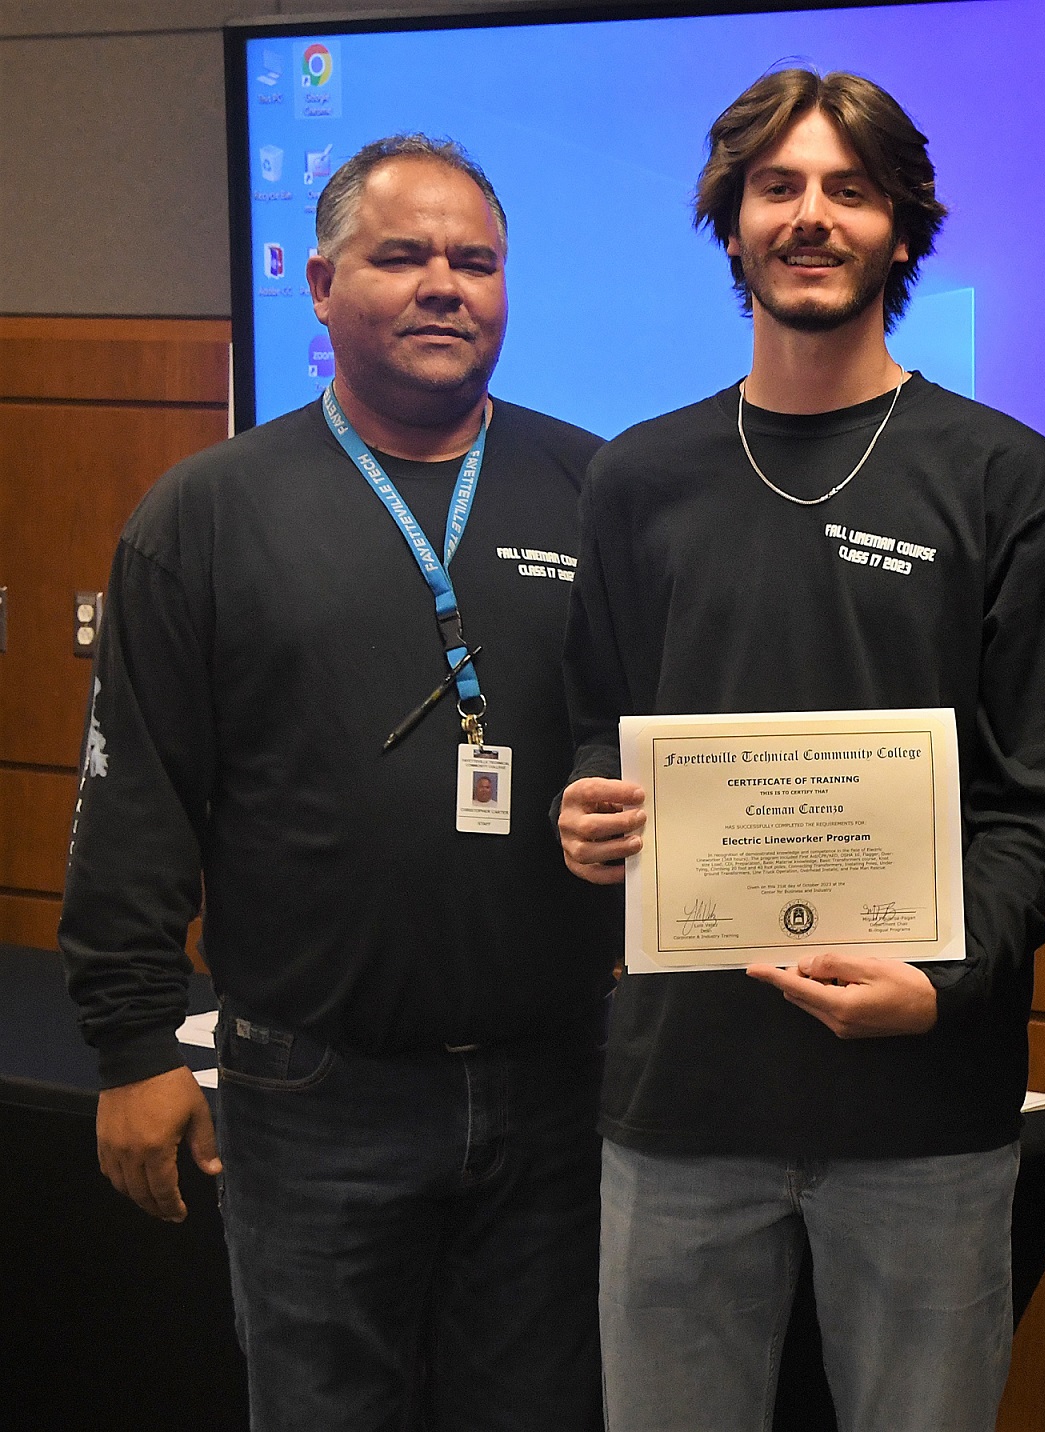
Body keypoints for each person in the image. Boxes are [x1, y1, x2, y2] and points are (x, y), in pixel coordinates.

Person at [553, 69, 1045, 1432]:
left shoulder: (1003, 476)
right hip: (682, 1100)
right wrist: (585, 816)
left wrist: (945, 980)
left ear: (903, 231)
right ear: (728, 223)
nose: (811, 217)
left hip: (925, 1108)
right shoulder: (638, 478)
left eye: (849, 190)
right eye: (777, 187)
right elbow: (591, 725)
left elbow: (1044, 795)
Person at [61, 135, 614, 1430]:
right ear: (319, 283)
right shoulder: (207, 513)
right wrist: (133, 1042)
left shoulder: (597, 488)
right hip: (317, 1093)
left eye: (474, 262)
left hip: (560, 1084)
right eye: (401, 256)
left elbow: (633, 725)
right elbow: (137, 791)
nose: (444, 286)